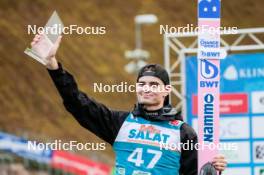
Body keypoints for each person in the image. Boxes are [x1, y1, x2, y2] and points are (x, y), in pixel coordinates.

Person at [30, 34, 227, 175]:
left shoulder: (184, 132)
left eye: (153, 85)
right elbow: (77, 103)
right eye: (142, 84)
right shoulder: (120, 122)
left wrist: (212, 168)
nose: (146, 89)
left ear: (167, 90)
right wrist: (53, 66)